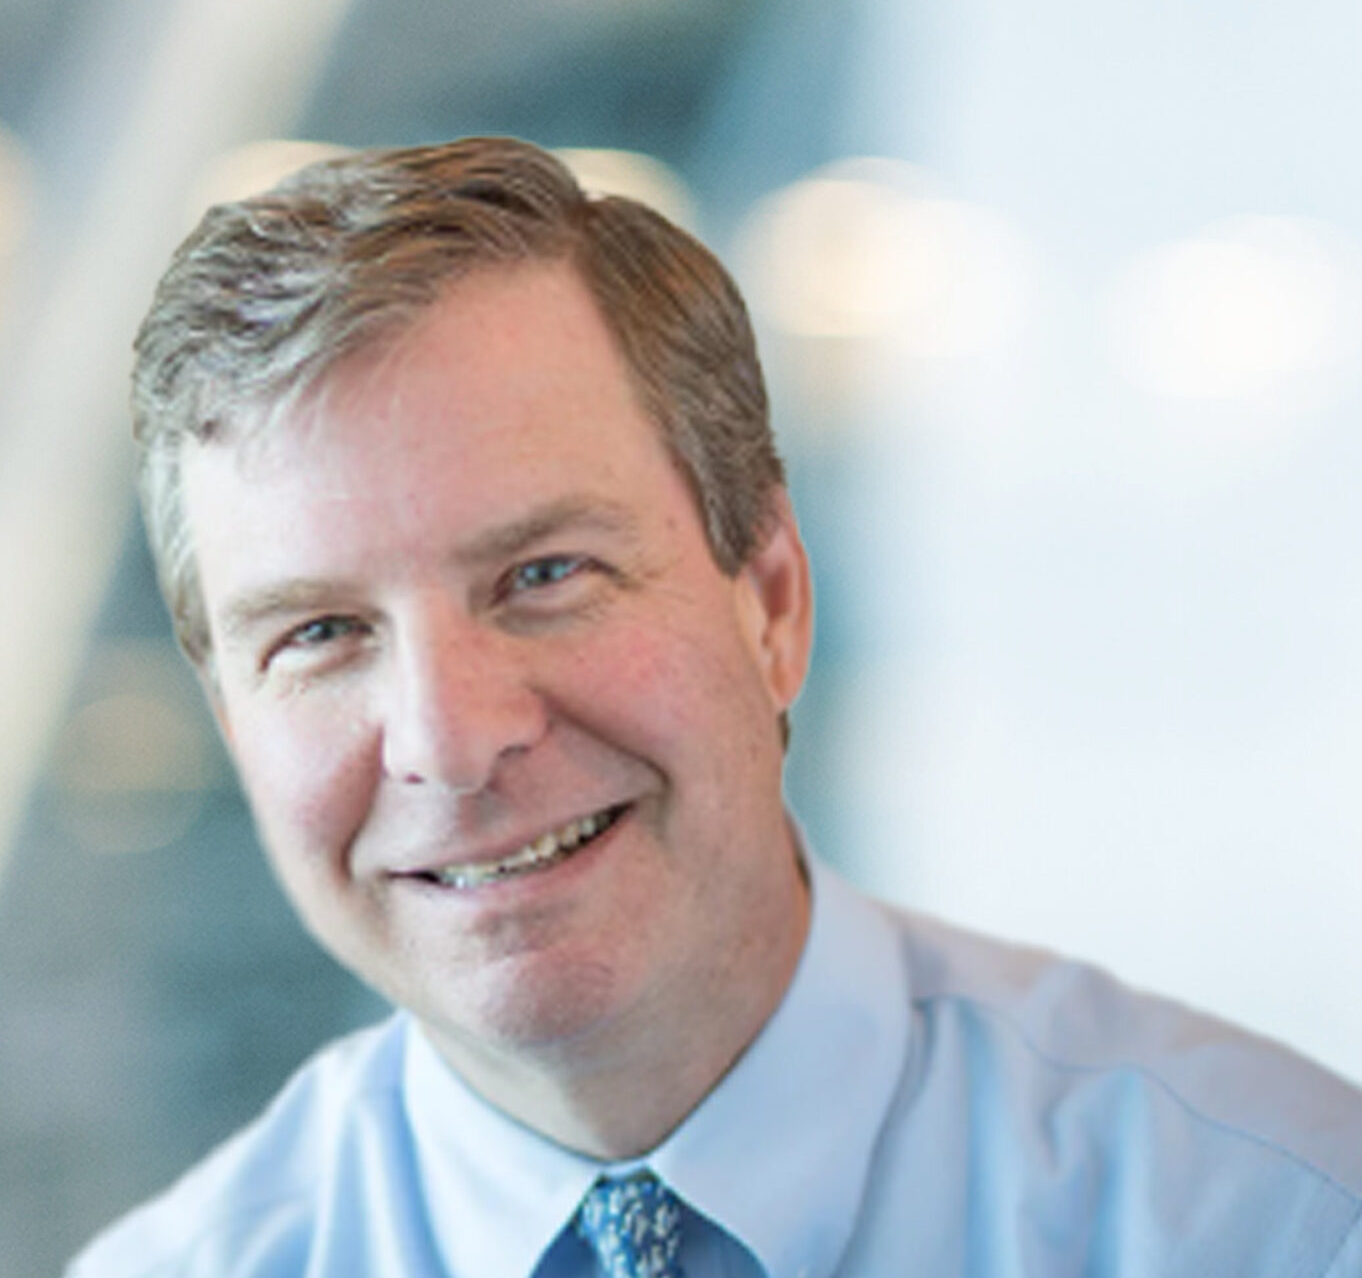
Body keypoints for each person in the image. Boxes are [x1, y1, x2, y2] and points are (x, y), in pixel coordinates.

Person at [70, 136, 1362, 1277]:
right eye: (320, 634)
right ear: (238, 731)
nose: (449, 741)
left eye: (543, 575)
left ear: (773, 603)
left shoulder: (1272, 1227)